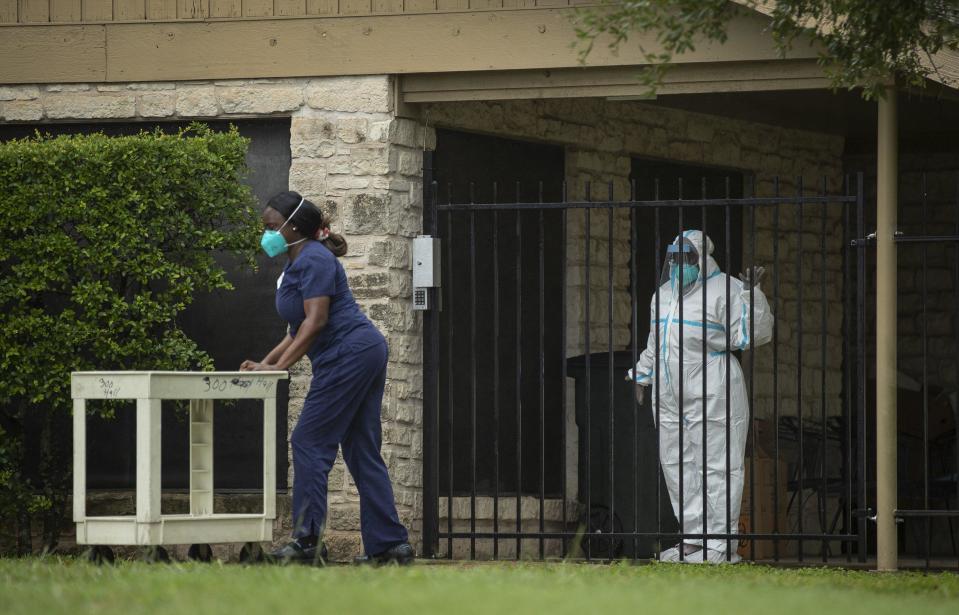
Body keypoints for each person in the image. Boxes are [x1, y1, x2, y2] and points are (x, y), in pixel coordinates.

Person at [241, 190, 413, 565]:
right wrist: (266, 362)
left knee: (308, 441)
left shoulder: (315, 259)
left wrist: (279, 369)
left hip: (347, 353)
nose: (266, 234)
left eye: (272, 227)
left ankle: (306, 542)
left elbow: (316, 323)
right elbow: (295, 328)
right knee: (360, 448)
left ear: (294, 228)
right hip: (359, 351)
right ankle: (390, 546)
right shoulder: (298, 261)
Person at [628, 230, 773, 563]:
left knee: (717, 465)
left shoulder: (725, 289)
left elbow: (754, 335)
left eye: (687, 258)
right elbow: (656, 342)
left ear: (702, 258)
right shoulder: (663, 294)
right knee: (677, 464)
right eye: (675, 258)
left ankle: (720, 545)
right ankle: (693, 538)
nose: (680, 265)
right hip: (668, 392)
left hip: (713, 388)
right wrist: (642, 374)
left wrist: (752, 295)